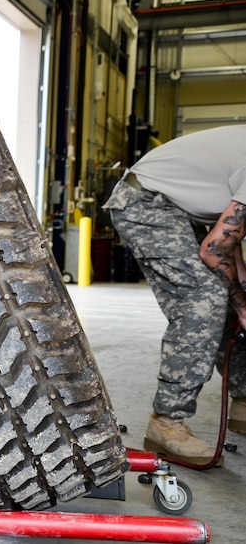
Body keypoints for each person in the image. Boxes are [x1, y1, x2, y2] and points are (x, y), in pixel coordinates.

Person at [103, 124, 246, 465]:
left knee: (227, 292)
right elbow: (215, 250)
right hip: (146, 201)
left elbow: (230, 235)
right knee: (203, 299)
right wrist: (241, 304)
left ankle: (243, 399)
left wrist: (240, 284)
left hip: (182, 209)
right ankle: (166, 422)